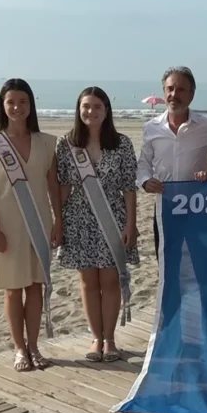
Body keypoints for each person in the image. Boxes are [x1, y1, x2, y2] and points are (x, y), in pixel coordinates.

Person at [0, 78, 62, 372]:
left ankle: (34, 346)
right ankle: (19, 348)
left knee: (36, 286)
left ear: (31, 104)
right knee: (13, 289)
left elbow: (53, 186)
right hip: (7, 227)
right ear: (3, 105)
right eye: (11, 102)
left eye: (23, 101)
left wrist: (59, 221)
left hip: (39, 223)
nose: (17, 107)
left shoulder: (46, 143)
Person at [56, 87, 139, 363]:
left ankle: (110, 340)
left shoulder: (122, 144)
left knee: (110, 279)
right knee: (88, 281)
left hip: (112, 217)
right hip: (78, 219)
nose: (91, 112)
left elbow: (129, 187)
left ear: (106, 110)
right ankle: (96, 338)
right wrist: (58, 221)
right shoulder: (67, 144)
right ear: (79, 109)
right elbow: (63, 187)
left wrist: (131, 224)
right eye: (86, 106)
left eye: (97, 107)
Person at [137, 67, 207, 257]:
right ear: (164, 92)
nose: (174, 95)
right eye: (170, 89)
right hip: (165, 206)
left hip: (198, 206)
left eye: (181, 90)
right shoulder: (151, 128)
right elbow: (143, 163)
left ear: (192, 95)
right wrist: (145, 180)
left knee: (202, 262)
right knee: (167, 262)